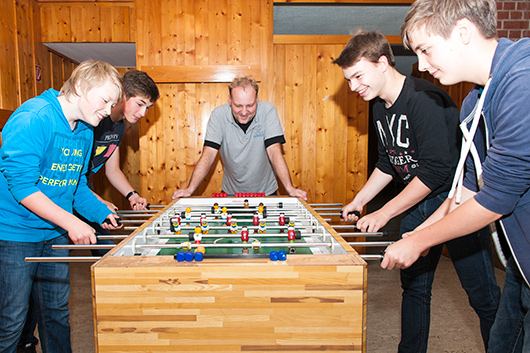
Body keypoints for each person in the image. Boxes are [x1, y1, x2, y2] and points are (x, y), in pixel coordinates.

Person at [334, 31, 500, 352]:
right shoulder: (380, 106)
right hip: (415, 205)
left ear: (382, 63)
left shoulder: (425, 99)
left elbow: (436, 171)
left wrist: (385, 212)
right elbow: (388, 162)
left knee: (483, 296)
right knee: (414, 290)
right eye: (348, 79)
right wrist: (361, 200)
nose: (353, 87)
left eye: (357, 76)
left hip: (452, 204)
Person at [381, 0, 530, 351]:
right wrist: (417, 232)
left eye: (426, 49)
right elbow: (463, 189)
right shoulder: (474, 101)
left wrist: (419, 241)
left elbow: (494, 200)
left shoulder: (522, 82)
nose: (422, 64)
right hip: (520, 265)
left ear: (462, 32)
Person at [16, 70, 160, 353]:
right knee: (18, 310)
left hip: (68, 206)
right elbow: (45, 177)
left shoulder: (103, 127)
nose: (143, 112)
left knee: (53, 303)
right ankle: (26, 341)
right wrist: (88, 206)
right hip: (35, 215)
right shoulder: (67, 118)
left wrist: (120, 199)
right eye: (140, 104)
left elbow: (97, 174)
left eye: (148, 107)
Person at [0, 60, 123, 353]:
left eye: (112, 103)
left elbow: (77, 184)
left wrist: (99, 212)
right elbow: (23, 187)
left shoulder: (85, 130)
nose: (108, 110)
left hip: (54, 233)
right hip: (15, 234)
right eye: (105, 100)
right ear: (80, 86)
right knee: (11, 321)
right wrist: (72, 223)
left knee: (56, 313)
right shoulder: (33, 117)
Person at [171, 76, 307, 201]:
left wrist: (289, 188)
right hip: (231, 193)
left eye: (250, 105)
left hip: (266, 192)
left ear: (257, 99)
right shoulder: (219, 115)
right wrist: (190, 189)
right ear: (229, 100)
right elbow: (209, 154)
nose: (243, 112)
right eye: (238, 106)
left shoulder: (268, 111)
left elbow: (274, 151)